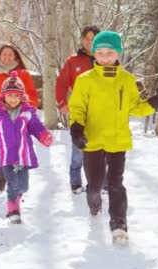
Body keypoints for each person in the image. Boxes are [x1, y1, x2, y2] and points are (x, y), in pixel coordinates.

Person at [67, 31, 158, 244]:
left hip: (117, 141)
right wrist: (77, 130)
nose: (105, 56)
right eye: (100, 52)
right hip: (93, 140)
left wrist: (157, 101)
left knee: (116, 183)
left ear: (118, 54)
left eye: (110, 52)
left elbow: (135, 108)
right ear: (94, 54)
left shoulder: (127, 80)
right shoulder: (85, 80)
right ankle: (94, 203)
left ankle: (119, 224)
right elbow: (78, 108)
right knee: (95, 186)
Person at [0, 71, 52, 224]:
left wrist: (44, 136)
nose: (13, 99)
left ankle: (16, 199)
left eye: (16, 96)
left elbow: (36, 127)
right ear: (3, 96)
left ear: (21, 96)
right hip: (6, 156)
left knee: (24, 186)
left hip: (23, 155)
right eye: (10, 95)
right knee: (13, 185)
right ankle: (13, 210)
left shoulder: (27, 112)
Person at [0, 44, 39, 194]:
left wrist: (27, 111)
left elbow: (32, 95)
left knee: (18, 147)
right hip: (0, 117)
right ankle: (0, 178)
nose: (7, 57)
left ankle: (17, 177)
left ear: (16, 57)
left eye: (10, 55)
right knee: (0, 147)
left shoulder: (23, 74)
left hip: (19, 118)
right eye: (4, 54)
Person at [55, 25, 100, 194]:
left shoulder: (105, 60)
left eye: (94, 38)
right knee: (78, 150)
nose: (90, 42)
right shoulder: (73, 61)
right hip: (79, 112)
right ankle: (75, 183)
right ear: (82, 40)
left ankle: (99, 183)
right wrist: (62, 103)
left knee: (100, 149)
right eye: (87, 38)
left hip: (100, 112)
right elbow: (61, 83)